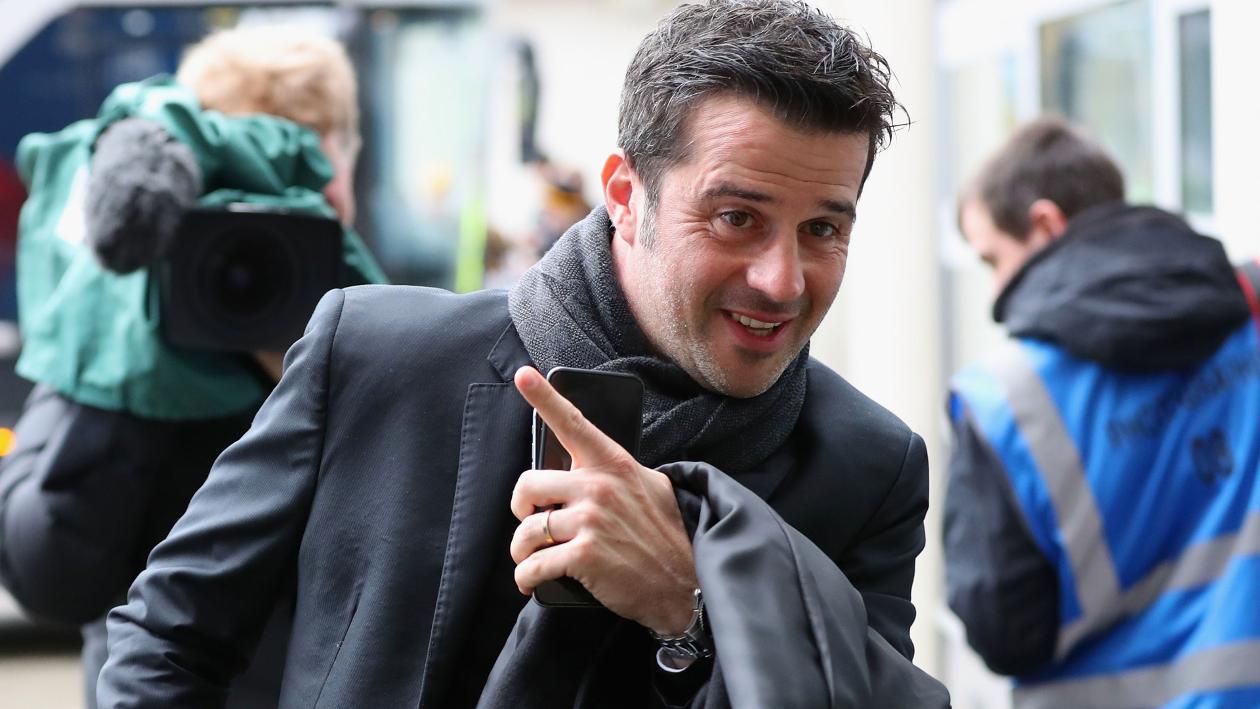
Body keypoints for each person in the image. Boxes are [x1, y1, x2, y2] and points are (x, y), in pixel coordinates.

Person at [99, 2, 949, 707]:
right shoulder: (374, 355)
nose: (781, 279)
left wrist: (688, 605)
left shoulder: (869, 466)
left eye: (823, 228)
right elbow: (166, 640)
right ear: (626, 195)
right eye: (736, 218)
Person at [0, 25, 385, 709]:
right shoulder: (127, 336)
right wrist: (131, 379)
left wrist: (302, 369)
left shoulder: (365, 331)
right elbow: (50, 579)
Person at [944, 117, 1260, 707]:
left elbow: (1003, 633)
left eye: (993, 260)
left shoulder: (1008, 398)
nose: (994, 293)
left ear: (1046, 224)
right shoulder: (1249, 314)